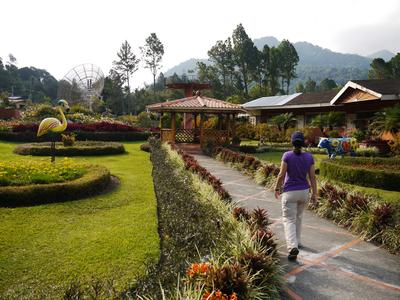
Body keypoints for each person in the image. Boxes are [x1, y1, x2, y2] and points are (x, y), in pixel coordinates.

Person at [274, 131, 317, 260]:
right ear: (303, 143)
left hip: (290, 193)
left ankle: (292, 247)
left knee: (289, 220)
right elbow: (313, 177)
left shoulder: (287, 156)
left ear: (292, 142)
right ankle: (297, 241)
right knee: (298, 217)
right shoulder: (309, 157)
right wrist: (315, 194)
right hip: (304, 193)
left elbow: (281, 175)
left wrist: (277, 188)